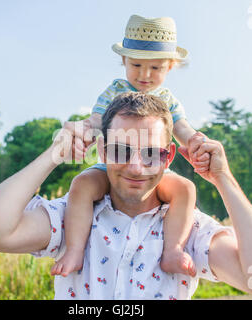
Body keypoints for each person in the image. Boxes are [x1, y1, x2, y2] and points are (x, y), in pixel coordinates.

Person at [0, 91, 252, 300]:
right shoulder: (71, 217)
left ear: (168, 157)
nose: (136, 167)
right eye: (121, 151)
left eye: (151, 153)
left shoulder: (190, 230)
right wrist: (54, 155)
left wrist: (222, 179)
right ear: (102, 150)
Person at [55, 14, 208, 277]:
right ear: (124, 61)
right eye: (136, 65)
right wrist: (82, 129)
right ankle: (74, 250)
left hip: (153, 165)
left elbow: (181, 128)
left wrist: (195, 140)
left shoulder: (168, 100)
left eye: (156, 68)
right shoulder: (115, 91)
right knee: (81, 185)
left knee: (185, 188)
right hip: (112, 164)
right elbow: (96, 120)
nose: (145, 75)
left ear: (169, 67)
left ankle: (173, 250)